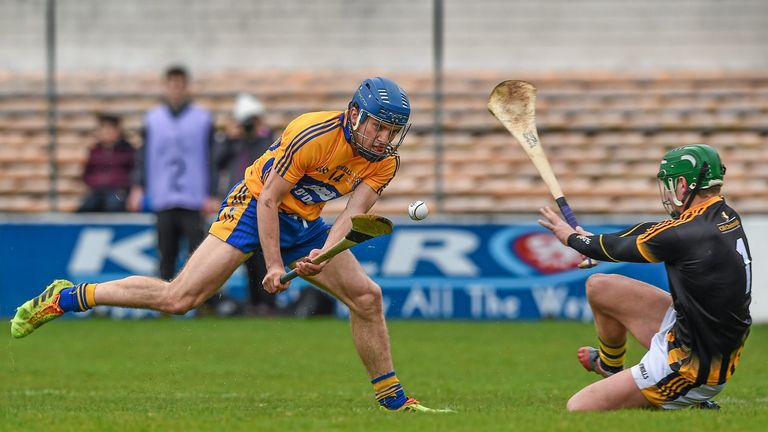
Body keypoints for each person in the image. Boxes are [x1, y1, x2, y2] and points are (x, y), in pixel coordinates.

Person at [11, 77, 450, 413]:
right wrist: (273, 264)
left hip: (307, 222)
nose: (383, 139)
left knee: (367, 297)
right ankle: (68, 296)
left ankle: (394, 402)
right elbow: (269, 199)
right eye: (378, 127)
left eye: (392, 132)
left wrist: (324, 253)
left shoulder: (384, 162)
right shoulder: (313, 135)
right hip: (252, 206)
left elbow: (353, 216)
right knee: (179, 297)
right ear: (355, 115)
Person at [538, 144, 751, 411]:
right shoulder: (723, 215)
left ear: (684, 184)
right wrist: (589, 240)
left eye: (671, 183)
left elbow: (622, 249)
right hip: (700, 333)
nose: (669, 191)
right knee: (600, 287)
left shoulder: (686, 233)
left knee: (579, 407)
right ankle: (610, 366)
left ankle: (687, 395)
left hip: (691, 366)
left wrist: (572, 239)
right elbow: (650, 230)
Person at [127, 65, 219, 280]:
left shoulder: (202, 119)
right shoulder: (153, 119)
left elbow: (212, 158)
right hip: (163, 195)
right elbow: (143, 156)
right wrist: (138, 187)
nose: (176, 89)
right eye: (172, 85)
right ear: (166, 87)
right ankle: (163, 305)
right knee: (166, 253)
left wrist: (212, 193)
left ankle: (201, 302)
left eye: (180, 85)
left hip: (193, 196)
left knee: (198, 254)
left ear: (186, 87)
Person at [216, 94, 276, 315]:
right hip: (240, 204)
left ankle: (268, 303)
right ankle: (253, 302)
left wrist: (259, 133)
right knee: (245, 258)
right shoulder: (233, 142)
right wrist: (231, 137)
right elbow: (217, 160)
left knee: (263, 256)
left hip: (261, 203)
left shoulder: (266, 140)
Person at [77, 113, 135, 212]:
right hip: (97, 191)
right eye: (103, 129)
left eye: (109, 129)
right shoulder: (94, 152)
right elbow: (87, 174)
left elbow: (134, 173)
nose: (106, 132)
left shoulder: (127, 150)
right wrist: (93, 183)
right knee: (87, 206)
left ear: (118, 131)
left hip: (119, 192)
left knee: (113, 204)